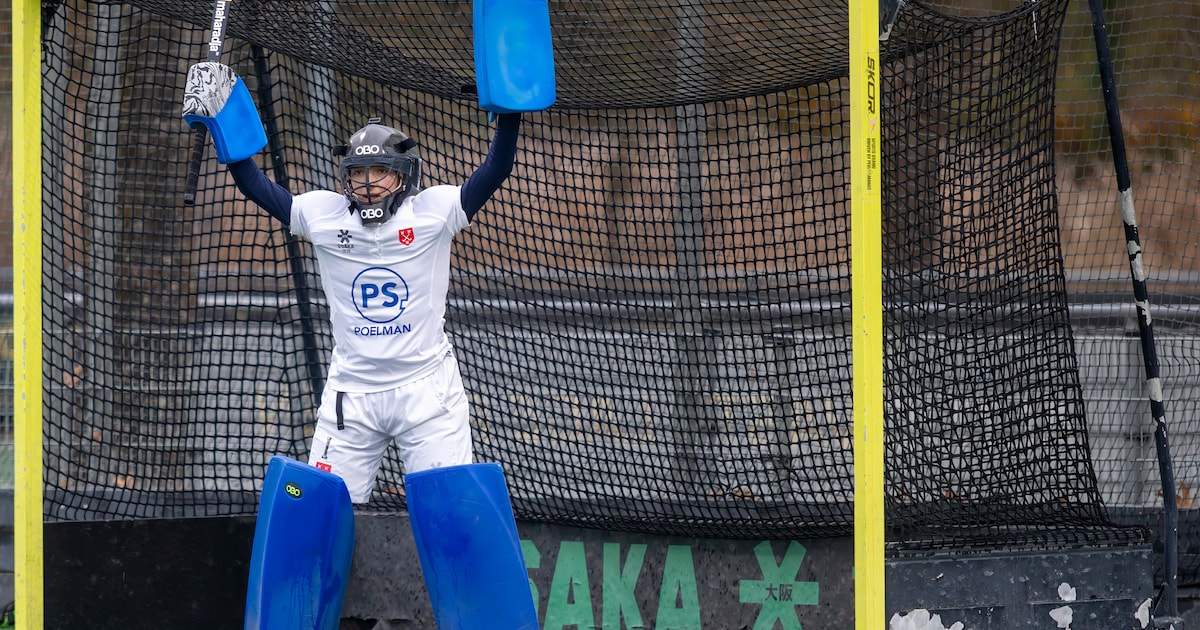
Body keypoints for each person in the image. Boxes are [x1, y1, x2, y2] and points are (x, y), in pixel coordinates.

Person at [182, 61, 522, 504]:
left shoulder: (432, 214)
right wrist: (222, 115)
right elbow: (254, 185)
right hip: (352, 395)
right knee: (321, 514)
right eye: (358, 174)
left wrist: (510, 112)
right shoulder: (324, 217)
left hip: (428, 393)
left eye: (379, 172)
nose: (367, 184)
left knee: (449, 511)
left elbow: (496, 168)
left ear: (403, 175)